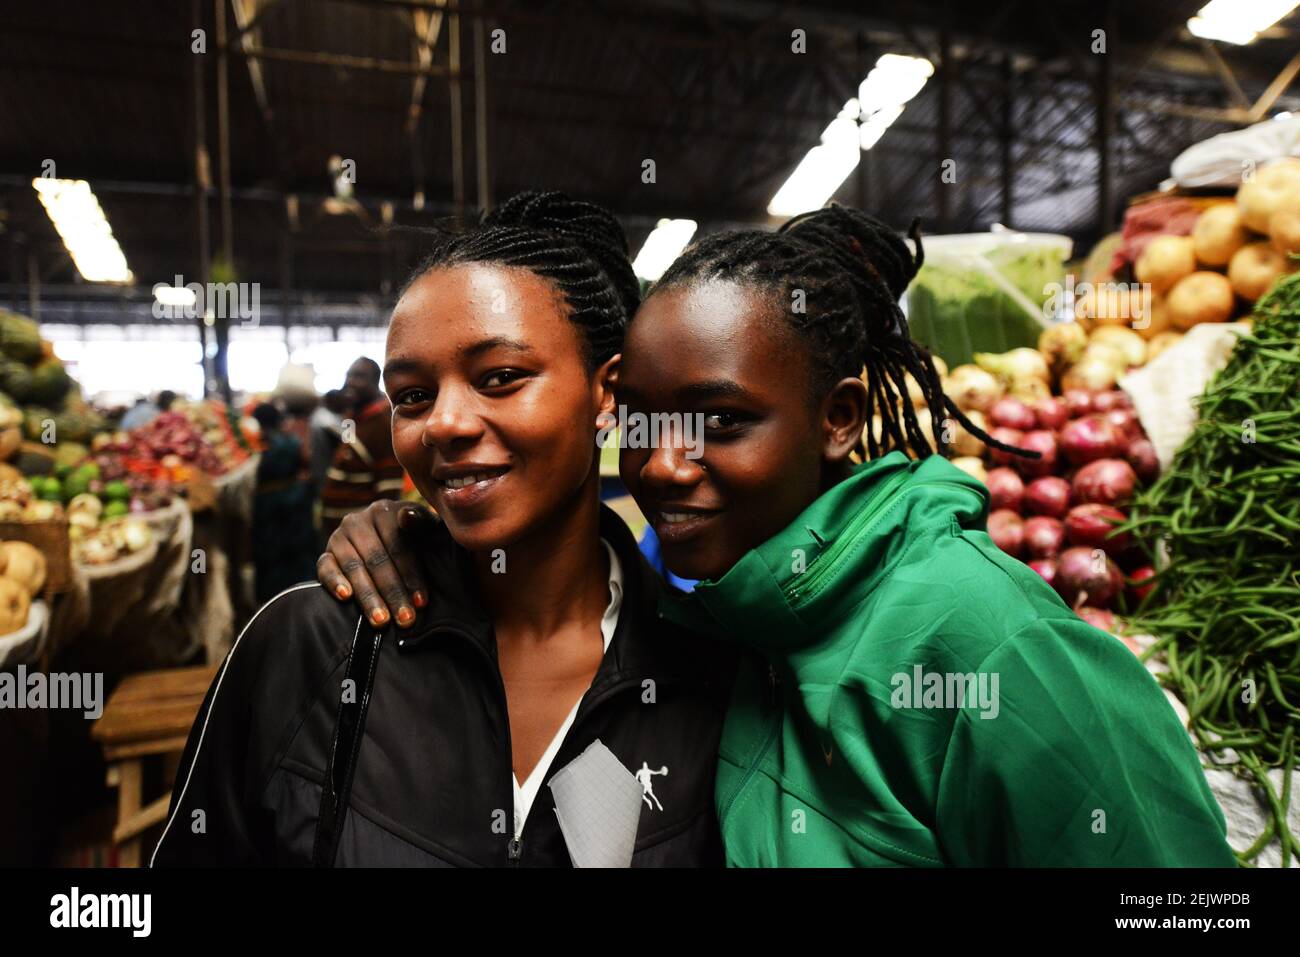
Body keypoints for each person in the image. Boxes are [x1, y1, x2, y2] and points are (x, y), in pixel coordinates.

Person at [319, 203, 1238, 867]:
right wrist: (418, 534)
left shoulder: (990, 642)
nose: (667, 465)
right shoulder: (706, 621)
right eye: (642, 421)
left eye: (720, 421)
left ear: (837, 419)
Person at [151, 192, 735, 867]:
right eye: (412, 395)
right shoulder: (310, 647)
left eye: (501, 377)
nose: (444, 423)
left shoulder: (702, 675)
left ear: (606, 395)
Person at [318, 357, 406, 537]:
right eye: (348, 375)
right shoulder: (351, 418)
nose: (350, 382)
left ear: (375, 382)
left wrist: (385, 536)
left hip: (363, 535)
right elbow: (344, 454)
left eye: (359, 376)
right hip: (341, 532)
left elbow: (389, 487)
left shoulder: (383, 422)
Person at [249, 403, 318, 603]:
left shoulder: (258, 445)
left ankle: (273, 601)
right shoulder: (291, 441)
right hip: (295, 500)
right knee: (299, 550)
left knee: (270, 554)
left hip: (268, 504)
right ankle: (303, 595)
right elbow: (306, 463)